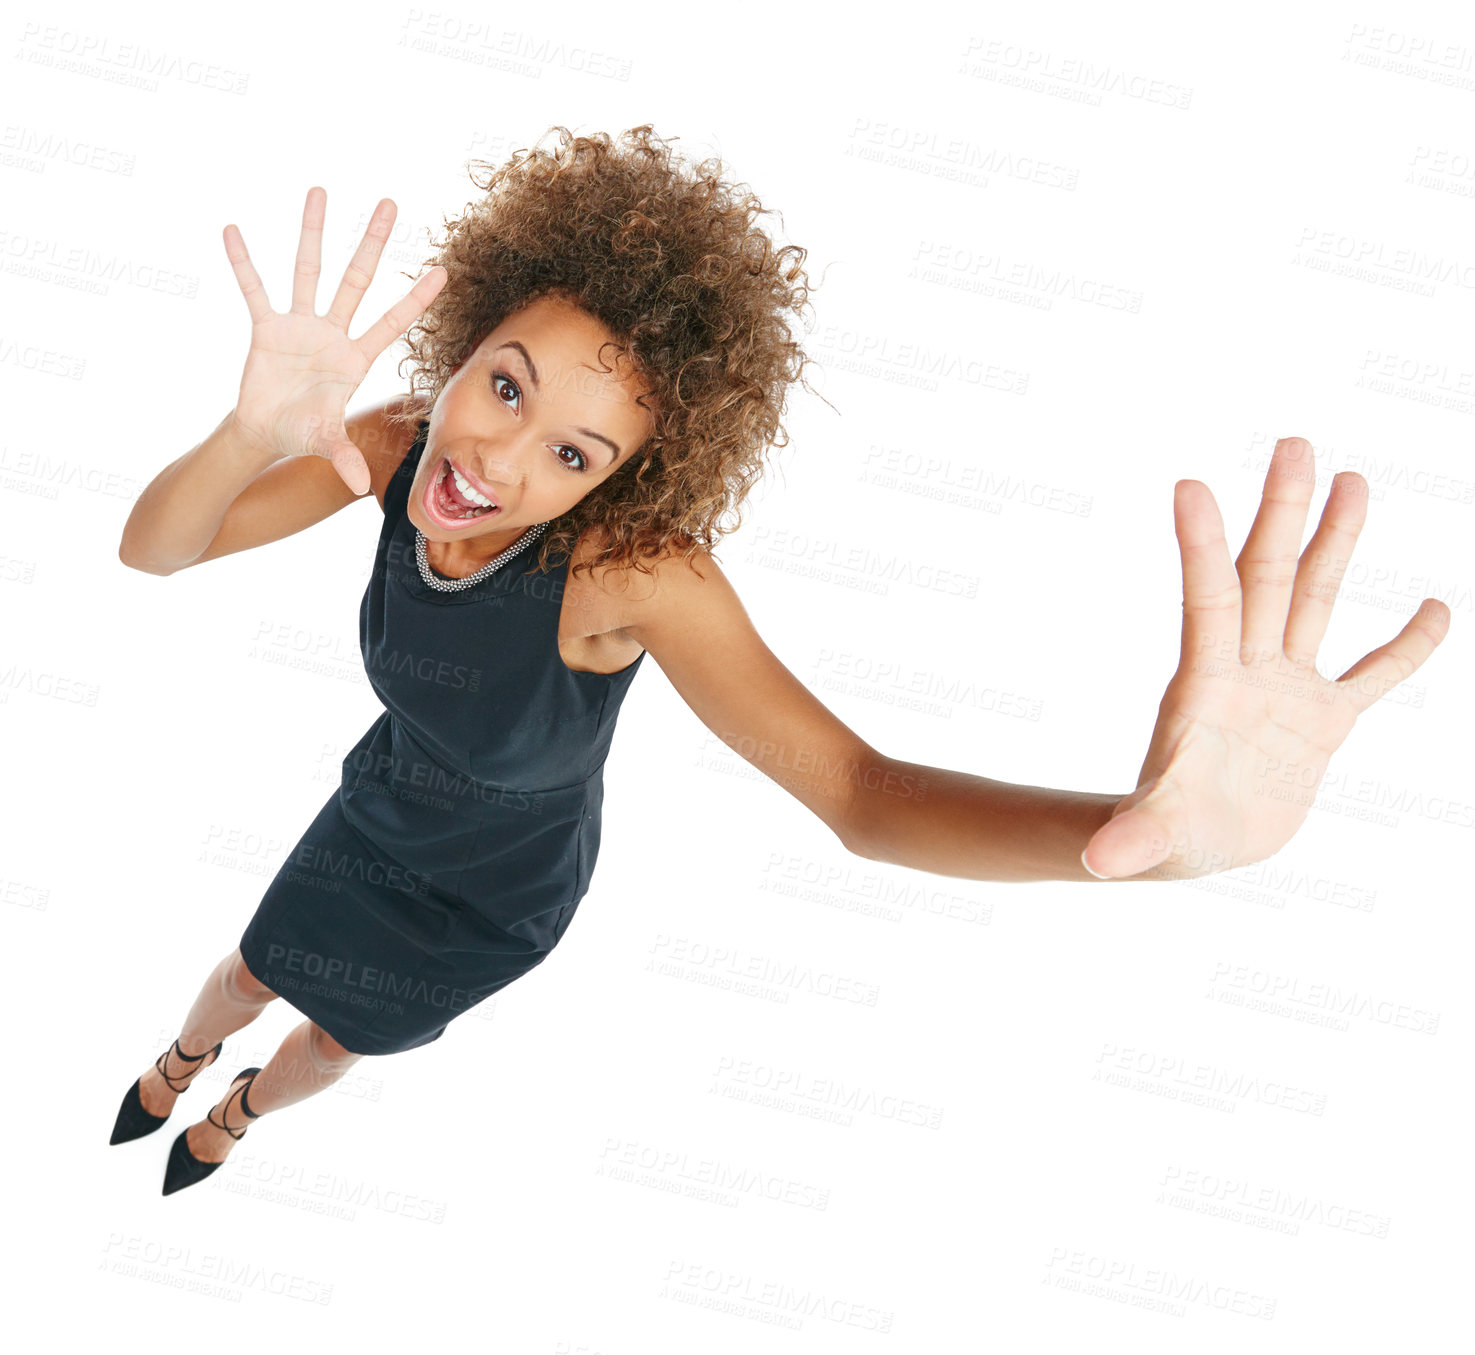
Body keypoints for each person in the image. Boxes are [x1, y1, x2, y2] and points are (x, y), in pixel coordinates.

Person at [109, 125, 1450, 1196]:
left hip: (496, 896)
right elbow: (158, 552)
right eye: (505, 385)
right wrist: (250, 433)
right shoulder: (397, 446)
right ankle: (183, 1058)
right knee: (253, 965)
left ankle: (234, 1112)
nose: (499, 459)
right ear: (461, 355)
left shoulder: (633, 578)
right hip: (379, 812)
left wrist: (1141, 837)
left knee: (339, 1039)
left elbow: (861, 796)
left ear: (629, 482)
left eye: (576, 454)